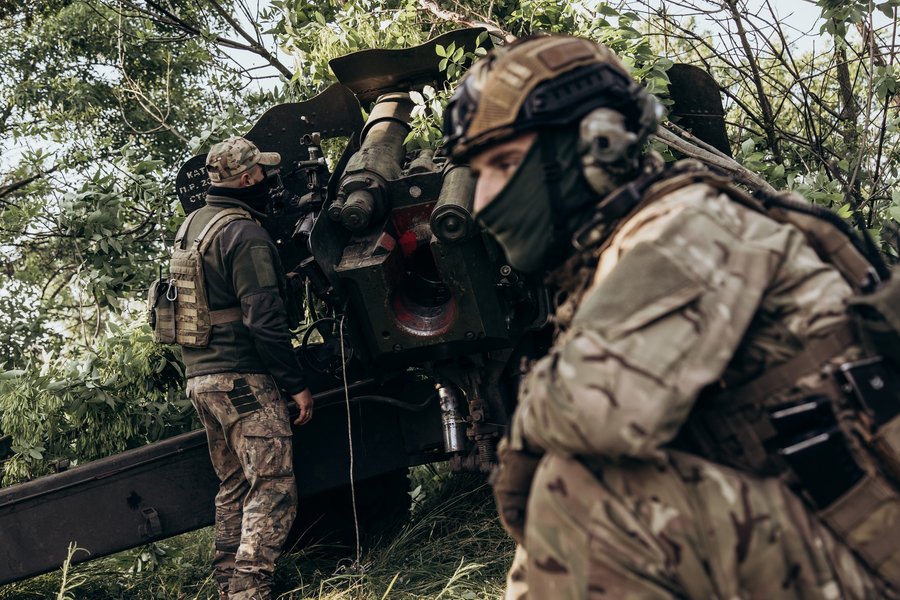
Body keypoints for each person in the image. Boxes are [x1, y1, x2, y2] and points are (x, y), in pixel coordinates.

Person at [440, 35, 899, 599]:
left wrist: (530, 434)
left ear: (598, 145)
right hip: (832, 535)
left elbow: (595, 409)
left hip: (876, 553)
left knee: (589, 499)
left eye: (505, 164)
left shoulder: (686, 228)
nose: (483, 202)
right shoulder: (617, 252)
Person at [172, 136, 314, 600]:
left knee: (234, 483)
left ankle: (226, 584)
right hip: (241, 379)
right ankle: (250, 590)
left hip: (201, 379)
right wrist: (296, 386)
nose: (269, 180)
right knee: (271, 484)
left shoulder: (193, 226)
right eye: (262, 173)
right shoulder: (244, 233)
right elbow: (264, 320)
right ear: (249, 178)